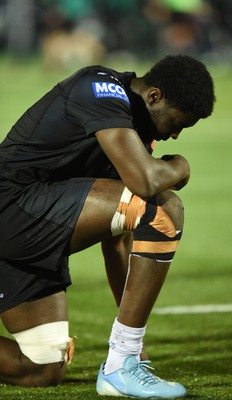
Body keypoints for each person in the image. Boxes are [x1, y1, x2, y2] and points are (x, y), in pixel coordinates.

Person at [0, 54, 215, 398]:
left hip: (29, 238)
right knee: (162, 210)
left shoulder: (132, 135)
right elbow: (146, 181)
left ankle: (122, 361)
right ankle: (119, 368)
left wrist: (132, 341)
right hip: (12, 208)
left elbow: (120, 242)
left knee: (40, 368)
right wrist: (181, 168)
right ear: (155, 97)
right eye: (179, 124)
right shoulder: (99, 88)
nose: (175, 135)